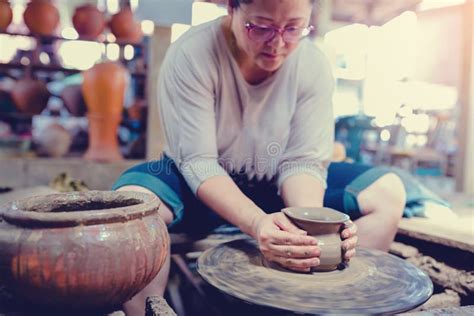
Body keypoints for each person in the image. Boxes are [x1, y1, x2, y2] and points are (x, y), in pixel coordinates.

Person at [112, 0, 406, 314]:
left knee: (387, 192)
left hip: (276, 185)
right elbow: (198, 161)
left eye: (293, 28)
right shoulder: (192, 54)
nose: (278, 43)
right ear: (231, 10)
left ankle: (325, 302)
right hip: (198, 184)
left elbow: (303, 162)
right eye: (261, 27)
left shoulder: (312, 65)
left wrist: (310, 230)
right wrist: (256, 223)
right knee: (132, 210)